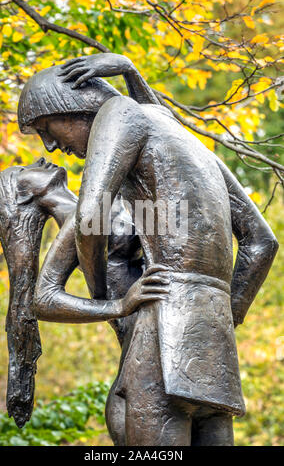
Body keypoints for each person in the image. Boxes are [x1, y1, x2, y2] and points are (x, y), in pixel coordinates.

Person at [17, 54, 279, 446]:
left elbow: (90, 217)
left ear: (74, 106)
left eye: (45, 128)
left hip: (159, 332)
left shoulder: (117, 113)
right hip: (215, 341)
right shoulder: (185, 138)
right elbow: (262, 243)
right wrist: (224, 312)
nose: (51, 146)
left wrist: (109, 302)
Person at [0, 157, 168, 429]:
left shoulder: (94, 203)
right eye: (24, 170)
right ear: (23, 196)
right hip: (143, 360)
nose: (40, 159)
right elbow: (44, 301)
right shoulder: (80, 220)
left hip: (160, 347)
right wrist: (121, 305)